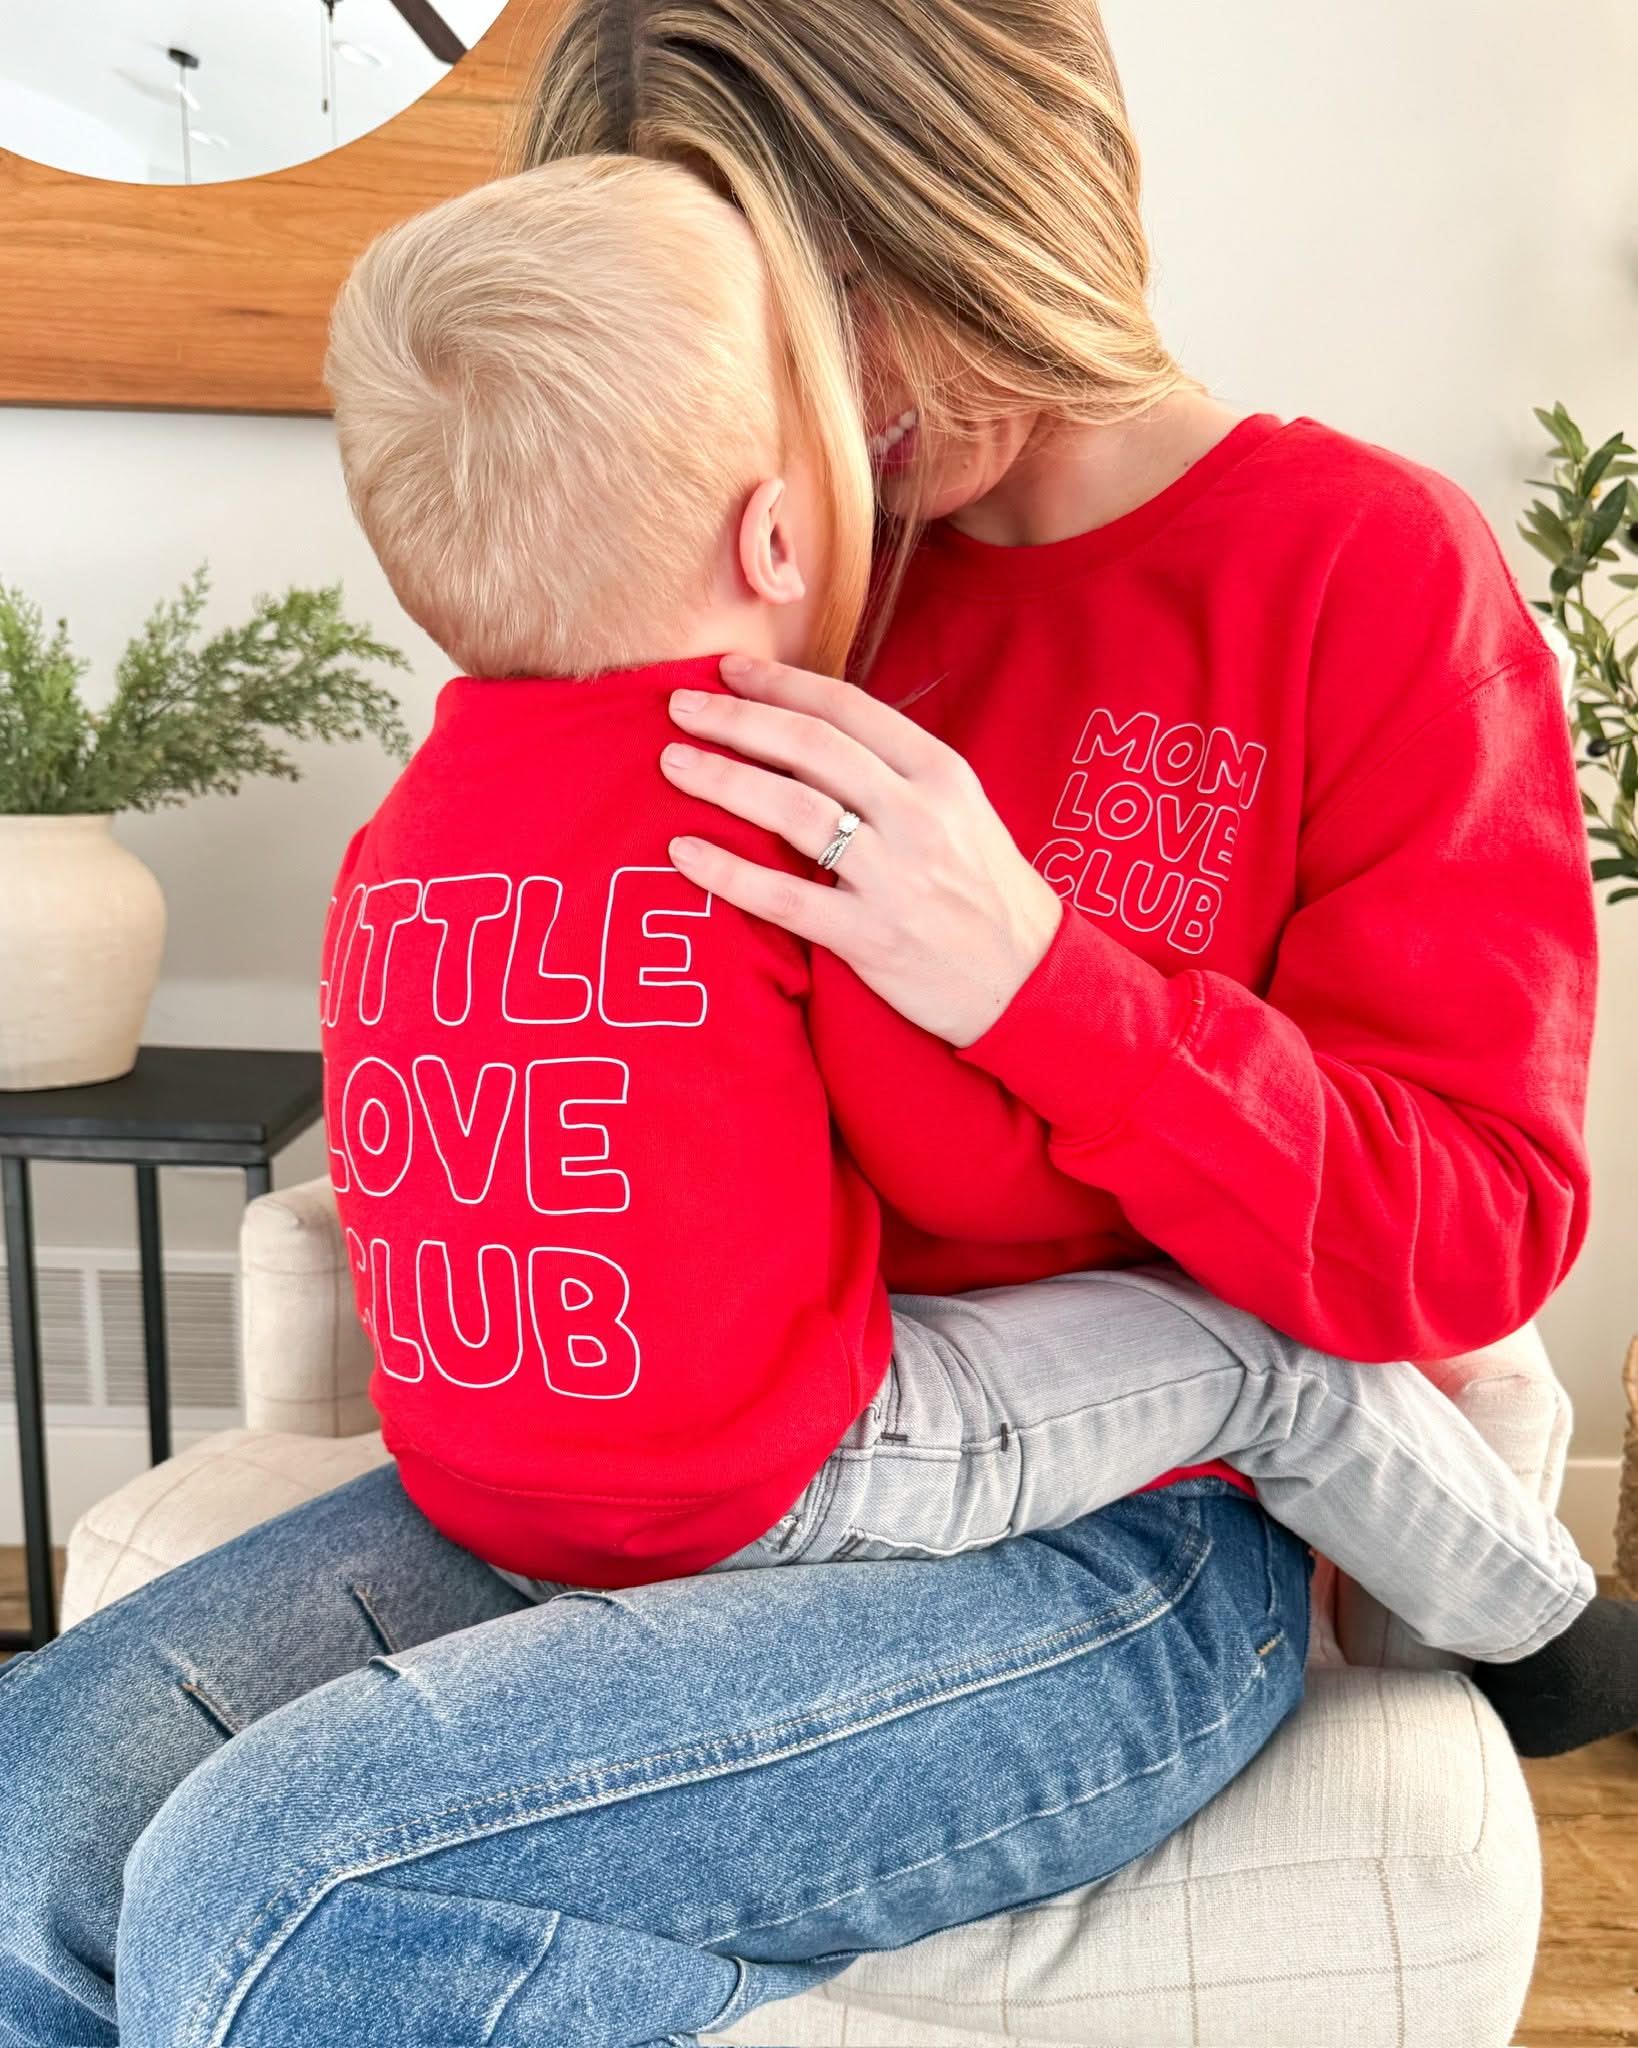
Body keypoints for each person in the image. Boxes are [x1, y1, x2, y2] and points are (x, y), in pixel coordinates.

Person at [0, 4, 1601, 2042]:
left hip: (1105, 1543)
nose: (824, 404)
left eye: (845, 296)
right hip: (687, 1451)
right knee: (30, 1817)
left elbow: (1462, 1232)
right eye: (750, 325)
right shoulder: (721, 561)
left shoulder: (1360, 574)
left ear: (988, 187)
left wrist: (1044, 982)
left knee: (286, 1881)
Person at [320, 153, 1629, 1749]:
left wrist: (1045, 984)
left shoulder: (399, 832)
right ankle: (1542, 1642)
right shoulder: (773, 779)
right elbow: (968, 1171)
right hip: (786, 1468)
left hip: (491, 1478)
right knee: (1268, 1366)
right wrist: (1029, 1014)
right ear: (776, 533)